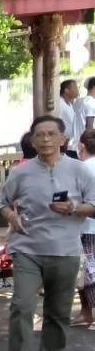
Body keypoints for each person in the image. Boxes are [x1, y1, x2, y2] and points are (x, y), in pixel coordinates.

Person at [0, 115, 95, 351]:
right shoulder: (21, 172)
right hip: (27, 248)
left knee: (58, 312)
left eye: (51, 134)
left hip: (65, 250)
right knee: (22, 306)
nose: (44, 139)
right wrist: (11, 216)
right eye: (39, 135)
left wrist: (74, 208)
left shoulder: (79, 170)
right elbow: (2, 204)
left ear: (62, 139)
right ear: (32, 140)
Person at [80, 129, 95, 328]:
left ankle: (89, 313)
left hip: (87, 225)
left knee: (89, 269)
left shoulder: (82, 168)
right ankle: (85, 313)